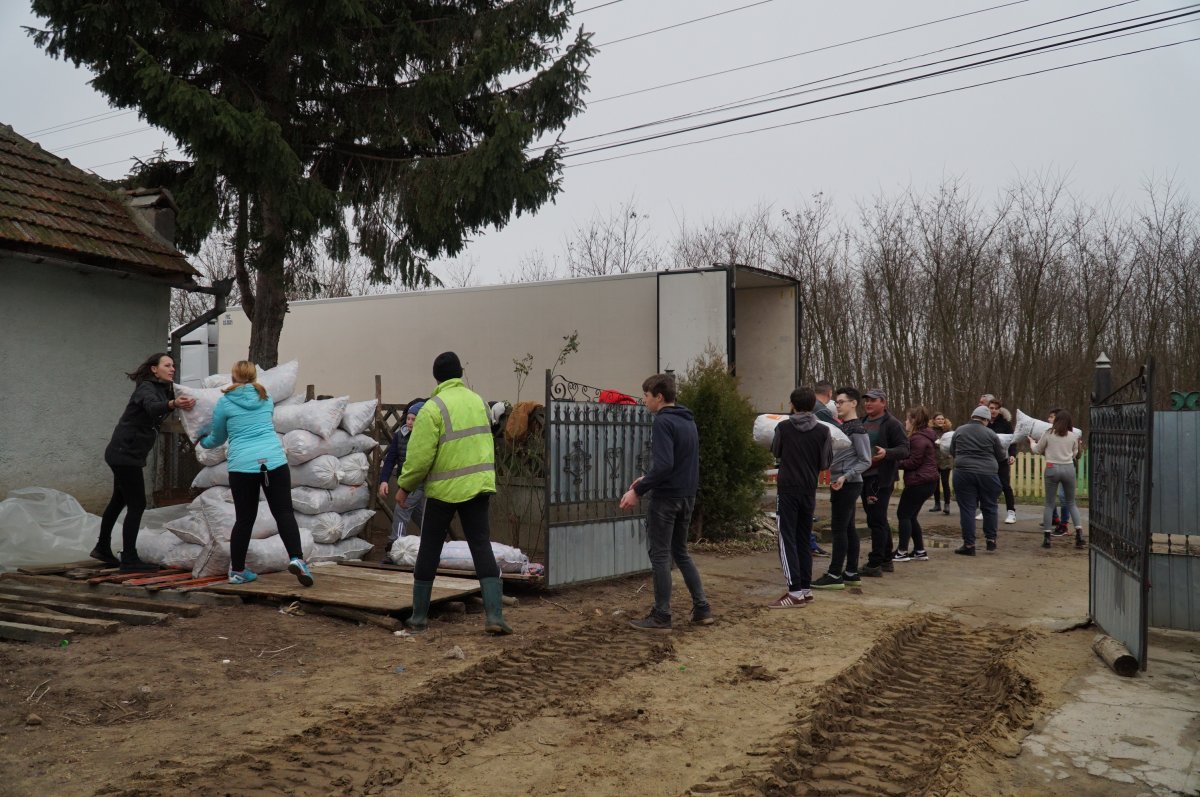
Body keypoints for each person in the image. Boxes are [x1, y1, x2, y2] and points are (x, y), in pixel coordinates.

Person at [398, 352, 512, 635]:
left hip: (444, 491)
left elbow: (420, 457)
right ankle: (495, 616)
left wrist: (404, 487)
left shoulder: (433, 408)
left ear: (436, 378)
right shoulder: (478, 402)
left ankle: (419, 617)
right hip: (478, 487)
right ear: (460, 373)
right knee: (480, 545)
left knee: (430, 549)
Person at [199, 361, 314, 586]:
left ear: (233, 378)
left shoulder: (225, 403)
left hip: (243, 465)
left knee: (244, 519)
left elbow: (218, 438)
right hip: (273, 461)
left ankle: (238, 571)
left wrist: (203, 441)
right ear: (254, 378)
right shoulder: (266, 397)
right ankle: (297, 559)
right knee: (283, 513)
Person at [619, 373, 714, 631]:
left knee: (660, 555)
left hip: (667, 499)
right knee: (681, 553)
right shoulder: (687, 421)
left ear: (659, 397)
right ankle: (702, 608)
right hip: (686, 496)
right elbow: (678, 463)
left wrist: (638, 489)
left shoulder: (662, 421)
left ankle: (662, 616)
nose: (644, 401)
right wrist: (648, 477)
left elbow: (664, 464)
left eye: (647, 396)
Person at [95, 353, 196, 571]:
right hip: (125, 455)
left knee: (118, 501)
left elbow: (175, 398)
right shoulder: (146, 389)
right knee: (137, 503)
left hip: (126, 453)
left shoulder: (163, 388)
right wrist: (172, 403)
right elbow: (153, 407)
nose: (172, 369)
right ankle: (129, 558)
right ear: (154, 369)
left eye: (173, 366)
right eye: (167, 365)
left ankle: (102, 547)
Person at [766, 387, 832, 607]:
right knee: (804, 538)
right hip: (809, 489)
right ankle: (805, 588)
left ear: (792, 405)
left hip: (787, 488)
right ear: (814, 405)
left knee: (786, 539)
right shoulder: (823, 431)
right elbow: (825, 463)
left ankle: (794, 592)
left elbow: (776, 451)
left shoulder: (784, 427)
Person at [812, 387, 872, 590]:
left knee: (839, 530)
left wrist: (846, 476)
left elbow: (866, 460)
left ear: (853, 403)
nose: (837, 405)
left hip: (847, 484)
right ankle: (851, 573)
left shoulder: (857, 429)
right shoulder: (844, 426)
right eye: (836, 402)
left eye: (841, 402)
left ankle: (834, 574)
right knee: (848, 528)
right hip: (842, 481)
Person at [858, 389, 909, 577]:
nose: (868, 404)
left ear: (883, 402)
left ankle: (874, 563)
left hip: (880, 478)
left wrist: (887, 453)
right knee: (876, 518)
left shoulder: (892, 424)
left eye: (873, 400)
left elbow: (905, 449)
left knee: (876, 520)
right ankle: (887, 559)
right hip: (864, 476)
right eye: (867, 400)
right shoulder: (862, 422)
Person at [950, 406, 1006, 555]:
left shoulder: (959, 430)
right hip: (988, 474)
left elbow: (952, 450)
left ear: (973, 416)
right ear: (986, 420)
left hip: (963, 473)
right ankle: (991, 541)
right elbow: (1001, 456)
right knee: (990, 506)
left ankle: (969, 545)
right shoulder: (991, 434)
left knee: (967, 509)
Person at [378, 398, 426, 563]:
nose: (410, 422)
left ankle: (394, 546)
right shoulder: (400, 436)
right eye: (409, 419)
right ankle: (436, 539)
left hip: (418, 483)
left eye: (414, 419)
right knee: (420, 515)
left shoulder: (426, 438)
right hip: (403, 482)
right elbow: (390, 459)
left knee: (401, 510)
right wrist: (384, 480)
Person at [1034, 408, 1086, 549]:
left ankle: (1047, 538)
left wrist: (1032, 443)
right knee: (1071, 503)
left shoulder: (1048, 434)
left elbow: (1037, 450)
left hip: (1052, 467)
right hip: (1068, 468)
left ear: (1056, 421)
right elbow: (1076, 454)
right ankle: (1080, 534)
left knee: (1049, 504)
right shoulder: (1073, 436)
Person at [893, 406, 939, 562]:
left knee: (903, 515)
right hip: (927, 481)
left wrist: (894, 461)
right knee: (911, 516)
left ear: (914, 420)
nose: (905, 422)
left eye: (907, 419)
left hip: (919, 481)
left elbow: (913, 462)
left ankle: (902, 552)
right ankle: (919, 550)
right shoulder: (925, 436)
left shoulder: (917, 439)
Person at [987, 397, 1018, 525]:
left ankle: (1011, 512)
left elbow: (1012, 440)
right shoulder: (985, 423)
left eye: (996, 408)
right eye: (991, 408)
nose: (993, 411)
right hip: (987, 459)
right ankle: (986, 510)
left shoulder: (1005, 423)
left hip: (1002, 459)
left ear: (999, 410)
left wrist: (1012, 455)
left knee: (1005, 485)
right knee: (987, 485)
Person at [930, 413, 954, 515]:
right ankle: (937, 504)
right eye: (938, 419)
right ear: (934, 421)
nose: (940, 421)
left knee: (945, 482)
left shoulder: (949, 431)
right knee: (935, 482)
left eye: (942, 419)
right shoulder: (930, 431)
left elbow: (953, 443)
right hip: (934, 459)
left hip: (946, 459)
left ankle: (947, 504)